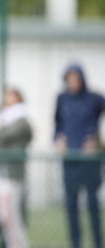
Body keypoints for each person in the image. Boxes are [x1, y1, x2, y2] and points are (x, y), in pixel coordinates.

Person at [54, 64, 104, 248]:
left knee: (92, 206)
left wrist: (97, 142)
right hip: (70, 161)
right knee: (71, 206)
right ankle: (75, 244)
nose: (73, 83)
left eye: (76, 79)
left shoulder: (94, 98)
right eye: (69, 79)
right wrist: (58, 139)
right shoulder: (62, 99)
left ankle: (98, 243)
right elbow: (57, 123)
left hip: (89, 162)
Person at [0, 88, 32, 248]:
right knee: (4, 218)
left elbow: (3, 136)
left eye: (12, 97)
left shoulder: (22, 122)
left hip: (11, 177)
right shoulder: (4, 119)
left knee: (10, 218)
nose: (8, 101)